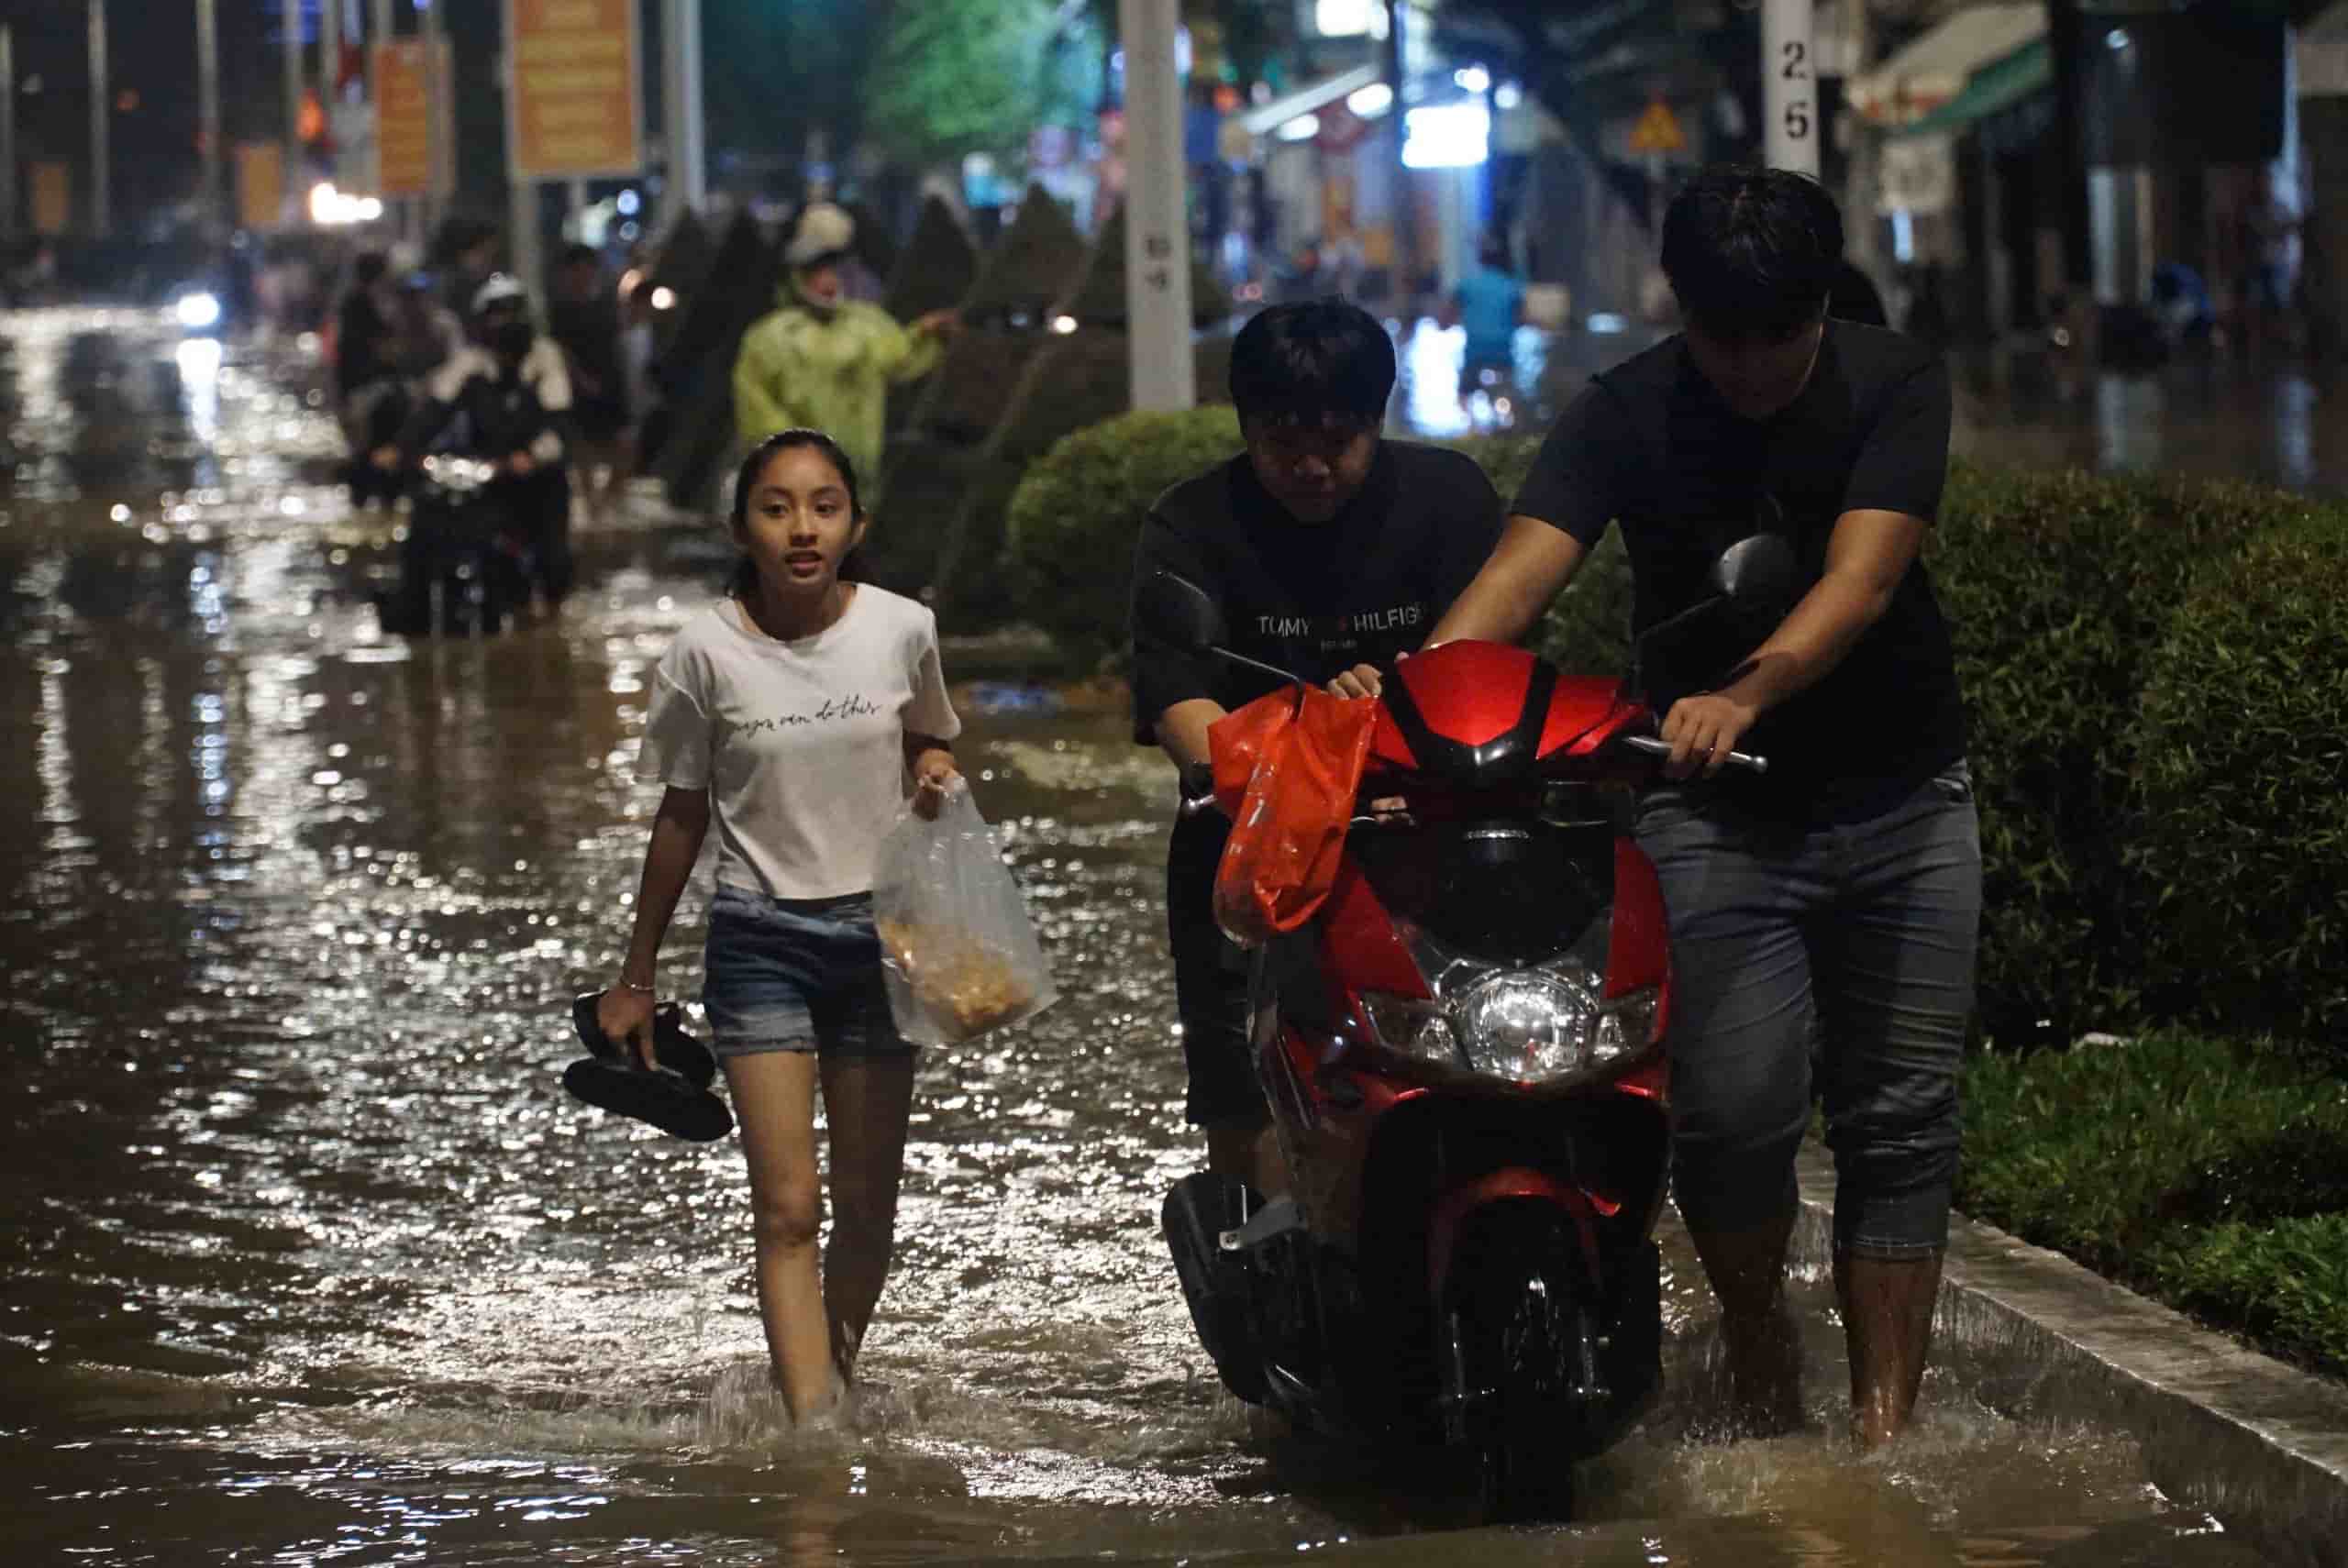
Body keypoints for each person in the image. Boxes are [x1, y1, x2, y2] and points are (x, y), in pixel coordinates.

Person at [1424, 167, 1980, 1452]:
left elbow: (1866, 577)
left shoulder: (1895, 382)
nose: (1745, 366)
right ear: (1679, 312)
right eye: (1717, 337)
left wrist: (1750, 686)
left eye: (1774, 338)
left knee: (1900, 1114)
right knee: (1731, 1115)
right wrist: (1414, 711)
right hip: (1712, 813)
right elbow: (1518, 579)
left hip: (1903, 795)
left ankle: (1886, 1426)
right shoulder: (1626, 411)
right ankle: (1759, 1343)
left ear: (1818, 314)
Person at [594, 428, 961, 1422]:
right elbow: (681, 814)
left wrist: (931, 771)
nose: (803, 527)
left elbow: (927, 735)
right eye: (777, 507)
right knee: (788, 1207)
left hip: (881, 940)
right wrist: (637, 975)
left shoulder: (902, 629)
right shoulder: (701, 652)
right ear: (739, 528)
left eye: (824, 505)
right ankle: (814, 1446)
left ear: (855, 523)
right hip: (757, 941)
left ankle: (827, 1387)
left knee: (867, 1210)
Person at [1127, 300, 1506, 1201]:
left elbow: (1497, 662)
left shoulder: (1448, 500)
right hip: (1253, 843)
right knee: (1238, 1092)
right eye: (1279, 442)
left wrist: (1399, 707)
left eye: (1336, 441)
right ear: (1243, 427)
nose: (1308, 467)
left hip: (1431, 831)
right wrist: (1280, 753)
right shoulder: (1192, 523)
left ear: (1377, 421)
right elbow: (1177, 696)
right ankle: (1251, 1260)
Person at [373, 273, 577, 624]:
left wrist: (531, 457)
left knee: (552, 558)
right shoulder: (471, 364)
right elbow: (433, 412)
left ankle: (550, 622)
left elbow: (560, 426)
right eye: (497, 314)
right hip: (490, 475)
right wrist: (399, 448)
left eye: (512, 313)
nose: (505, 322)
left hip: (539, 477)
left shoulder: (546, 360)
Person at [732, 204, 962, 497]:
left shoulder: (866, 324)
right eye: (817, 269)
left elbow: (901, 358)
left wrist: (929, 334)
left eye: (832, 268)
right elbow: (756, 409)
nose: (827, 279)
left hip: (860, 480)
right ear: (799, 275)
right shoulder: (769, 338)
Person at [547, 242, 629, 522]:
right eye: (577, 269)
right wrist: (579, 379)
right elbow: (561, 351)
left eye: (587, 268)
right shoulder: (561, 310)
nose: (583, 274)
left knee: (623, 443)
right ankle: (593, 504)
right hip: (578, 384)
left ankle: (609, 499)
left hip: (611, 382)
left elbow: (617, 342)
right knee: (582, 446)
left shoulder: (606, 303)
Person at [332, 252, 405, 507]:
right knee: (370, 445)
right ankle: (371, 494)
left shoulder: (366, 302)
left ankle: (372, 495)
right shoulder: (359, 304)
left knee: (372, 444)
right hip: (366, 387)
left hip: (367, 387)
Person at [1448, 236, 1526, 404]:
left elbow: (1447, 315)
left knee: (1464, 396)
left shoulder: (1466, 284)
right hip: (1503, 351)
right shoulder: (1511, 286)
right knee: (1508, 394)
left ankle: (1470, 426)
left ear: (1480, 260)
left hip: (1474, 351)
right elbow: (1521, 319)